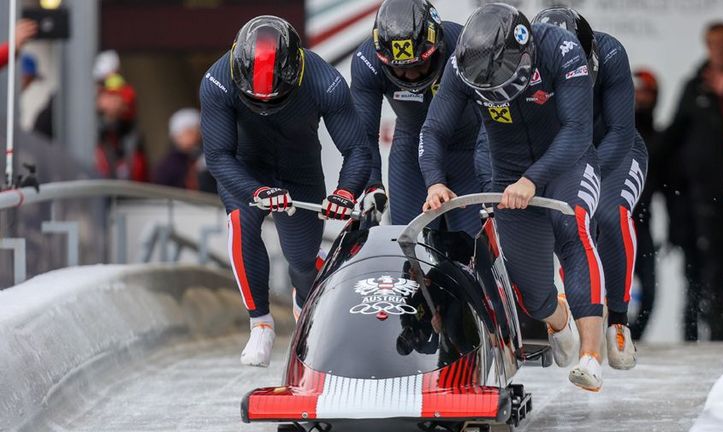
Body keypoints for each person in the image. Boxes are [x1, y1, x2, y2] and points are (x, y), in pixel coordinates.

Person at [420, 4, 605, 391]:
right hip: (508, 173)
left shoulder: (562, 50)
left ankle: (591, 356)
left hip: (565, 162)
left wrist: (533, 179)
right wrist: (435, 181)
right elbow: (434, 129)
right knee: (533, 297)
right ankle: (558, 317)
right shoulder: (460, 66)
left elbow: (576, 130)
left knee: (574, 232)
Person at [200, 16, 371, 367]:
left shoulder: (327, 83)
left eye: (275, 98)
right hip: (245, 169)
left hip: (298, 170)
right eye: (255, 100)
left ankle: (305, 303)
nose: (264, 106)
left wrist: (345, 193)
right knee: (242, 224)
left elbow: (356, 149)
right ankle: (260, 322)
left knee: (302, 260)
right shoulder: (217, 81)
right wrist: (256, 190)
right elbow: (218, 157)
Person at [531, 8, 648, 370]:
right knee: (571, 221)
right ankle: (572, 311)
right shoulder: (526, 64)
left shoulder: (611, 54)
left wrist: (583, 171)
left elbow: (621, 132)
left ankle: (618, 320)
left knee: (609, 215)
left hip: (614, 152)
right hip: (565, 154)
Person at [350, 0, 484, 232]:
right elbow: (364, 135)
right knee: (409, 244)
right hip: (411, 146)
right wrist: (372, 184)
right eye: (400, 69)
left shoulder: (465, 46)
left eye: (420, 65)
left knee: (470, 247)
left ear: (438, 46)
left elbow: (492, 116)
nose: (411, 76)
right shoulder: (367, 61)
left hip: (468, 150)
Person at [665, 22, 723, 340]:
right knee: (702, 267)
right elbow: (673, 137)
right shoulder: (694, 86)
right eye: (714, 43)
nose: (720, 49)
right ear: (707, 46)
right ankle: (698, 332)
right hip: (702, 195)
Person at [630, 69, 660, 340]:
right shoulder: (616, 130)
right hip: (615, 218)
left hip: (643, 220)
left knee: (649, 291)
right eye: (637, 91)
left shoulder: (658, 138)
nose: (641, 97)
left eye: (647, 92)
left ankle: (634, 336)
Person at [95, 73, 148, 181]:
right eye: (111, 97)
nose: (117, 103)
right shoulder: (87, 130)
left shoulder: (130, 135)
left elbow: (139, 173)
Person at [153, 108, 202, 189]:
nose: (197, 136)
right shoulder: (168, 166)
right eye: (190, 132)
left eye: (198, 131)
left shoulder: (200, 157)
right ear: (177, 135)